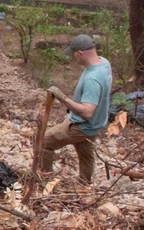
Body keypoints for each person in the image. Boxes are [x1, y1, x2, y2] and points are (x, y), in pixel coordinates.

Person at [41, 34, 113, 184]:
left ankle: (45, 179)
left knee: (44, 142)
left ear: (80, 53)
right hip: (94, 125)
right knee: (85, 154)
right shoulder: (104, 63)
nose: (73, 57)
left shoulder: (92, 78)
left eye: (74, 53)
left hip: (81, 126)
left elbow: (87, 112)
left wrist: (63, 98)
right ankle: (85, 184)